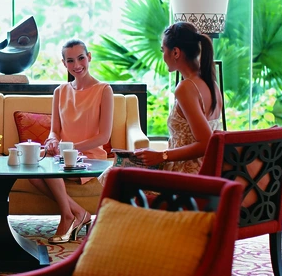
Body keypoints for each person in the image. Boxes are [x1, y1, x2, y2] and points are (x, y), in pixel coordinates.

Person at [35, 39, 114, 244]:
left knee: (50, 170)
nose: (77, 65)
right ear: (64, 64)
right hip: (63, 158)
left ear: (89, 57)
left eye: (81, 58)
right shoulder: (60, 92)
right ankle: (79, 212)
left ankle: (67, 216)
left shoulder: (104, 90)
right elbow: (55, 130)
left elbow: (104, 137)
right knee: (32, 172)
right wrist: (52, 141)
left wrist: (68, 149)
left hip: (89, 159)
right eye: (70, 61)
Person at [131, 21, 223, 172]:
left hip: (185, 177)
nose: (163, 56)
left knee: (114, 176)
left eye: (163, 50)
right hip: (207, 172)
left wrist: (162, 156)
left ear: (175, 52)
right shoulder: (211, 83)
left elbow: (207, 142)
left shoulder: (186, 87)